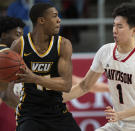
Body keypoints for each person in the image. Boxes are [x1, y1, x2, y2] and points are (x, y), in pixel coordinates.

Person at [63, 3, 135, 131]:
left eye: (120, 26)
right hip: (118, 124)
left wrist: (120, 114)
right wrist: (55, 99)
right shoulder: (105, 51)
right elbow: (85, 86)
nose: (114, 30)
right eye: (114, 25)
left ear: (134, 30)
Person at [10, 3, 81, 131]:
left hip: (58, 111)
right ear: (42, 20)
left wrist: (35, 78)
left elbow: (66, 85)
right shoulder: (19, 45)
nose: (59, 20)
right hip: (30, 113)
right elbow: (7, 86)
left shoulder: (63, 44)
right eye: (54, 16)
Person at [0, 16, 25, 131]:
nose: (21, 39)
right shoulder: (8, 56)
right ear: (4, 35)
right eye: (17, 35)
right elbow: (7, 95)